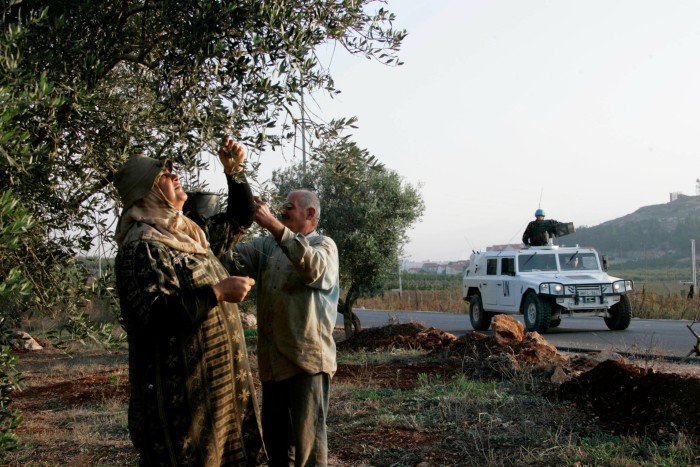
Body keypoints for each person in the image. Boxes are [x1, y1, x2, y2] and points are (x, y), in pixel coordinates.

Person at [112, 137, 265, 466]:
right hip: (181, 413)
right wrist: (218, 293)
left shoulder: (187, 234)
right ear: (147, 190)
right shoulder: (143, 247)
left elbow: (241, 217)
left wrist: (234, 171)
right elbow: (157, 316)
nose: (174, 175)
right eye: (164, 174)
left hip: (216, 401)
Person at [221, 189, 340, 467]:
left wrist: (273, 224)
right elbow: (230, 260)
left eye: (290, 206)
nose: (283, 211)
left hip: (306, 364)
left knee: (308, 451)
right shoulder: (267, 246)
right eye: (282, 207)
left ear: (310, 214)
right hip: (273, 365)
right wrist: (234, 225)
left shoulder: (324, 245)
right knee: (277, 448)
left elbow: (314, 269)